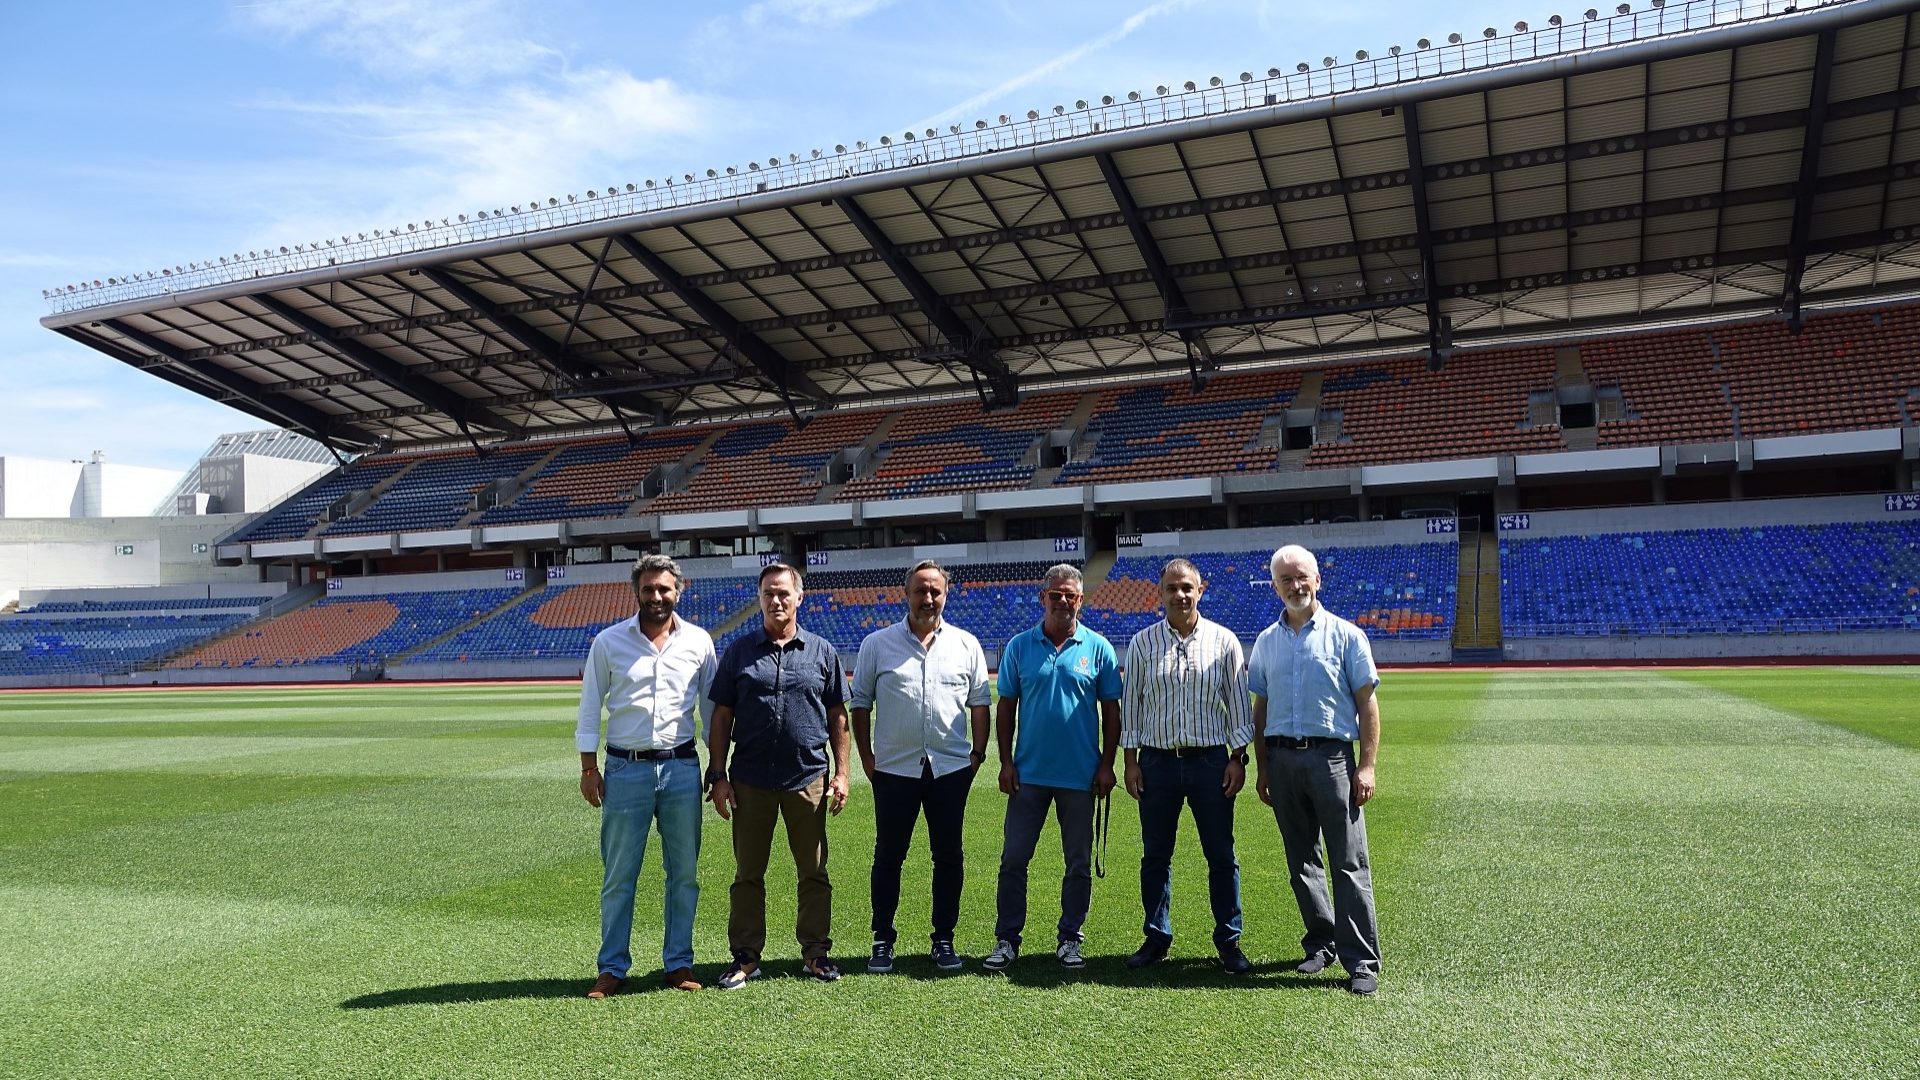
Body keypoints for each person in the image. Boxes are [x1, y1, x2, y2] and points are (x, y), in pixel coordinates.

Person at [577, 554, 718, 998]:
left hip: (681, 768)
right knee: (619, 873)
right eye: (648, 589)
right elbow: (589, 706)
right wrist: (587, 767)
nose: (657, 596)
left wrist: (719, 768)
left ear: (680, 590)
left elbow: (712, 711)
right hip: (625, 769)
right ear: (635, 591)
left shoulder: (699, 642)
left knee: (684, 873)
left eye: (665, 589)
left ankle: (678, 962)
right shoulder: (608, 642)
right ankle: (612, 966)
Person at [706, 562, 852, 989]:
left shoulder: (823, 651)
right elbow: (721, 717)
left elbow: (838, 716)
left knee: (813, 871)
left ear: (799, 597)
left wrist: (842, 774)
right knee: (748, 873)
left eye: (784, 593)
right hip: (750, 780)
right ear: (760, 599)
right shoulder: (738, 652)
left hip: (807, 778)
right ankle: (746, 956)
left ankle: (815, 952)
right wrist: (718, 775)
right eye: (769, 593)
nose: (776, 600)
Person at [1247, 544, 1383, 996]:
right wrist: (1263, 767)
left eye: (1302, 576)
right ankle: (1321, 942)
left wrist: (1366, 766)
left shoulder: (1346, 636)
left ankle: (1361, 959)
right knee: (1300, 861)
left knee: (1348, 862)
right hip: (1283, 761)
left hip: (1332, 760)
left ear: (1318, 579)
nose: (1295, 585)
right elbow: (1260, 709)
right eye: (1286, 579)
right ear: (1274, 587)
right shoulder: (1266, 643)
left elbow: (1367, 704)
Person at [850, 560, 991, 974]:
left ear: (946, 594)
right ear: (905, 593)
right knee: (889, 856)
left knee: (949, 856)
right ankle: (882, 939)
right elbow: (860, 704)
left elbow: (980, 704)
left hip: (950, 768)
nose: (928, 599)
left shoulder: (967, 644)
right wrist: (867, 759)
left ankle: (943, 938)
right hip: (894, 769)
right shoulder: (877, 644)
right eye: (920, 591)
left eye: (935, 591)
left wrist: (977, 756)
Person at [982, 563, 1122, 973]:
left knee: (1078, 864)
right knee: (1013, 860)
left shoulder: (1099, 648)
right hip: (1028, 776)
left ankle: (1070, 939)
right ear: (1043, 598)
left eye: (1071, 596)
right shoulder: (1020, 647)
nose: (1063, 601)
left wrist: (1107, 764)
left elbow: (1112, 713)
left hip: (1080, 777)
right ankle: (1007, 939)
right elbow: (1005, 708)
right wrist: (1005, 761)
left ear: (1081, 600)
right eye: (1056, 595)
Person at [1119, 558, 1255, 975]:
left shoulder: (1224, 641)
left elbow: (1238, 706)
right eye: (1172, 588)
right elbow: (1132, 707)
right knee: (1156, 855)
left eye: (1187, 588)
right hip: (1156, 763)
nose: (1180, 594)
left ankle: (1229, 941)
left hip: (1210, 762)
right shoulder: (1142, 644)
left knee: (1221, 854)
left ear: (1201, 590)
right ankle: (1157, 937)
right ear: (1160, 593)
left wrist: (1238, 757)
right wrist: (1131, 763)